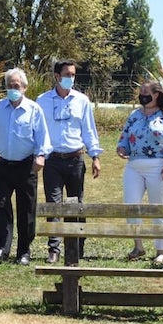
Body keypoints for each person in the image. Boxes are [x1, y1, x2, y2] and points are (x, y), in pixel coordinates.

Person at [36, 60, 102, 264]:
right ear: (56, 76)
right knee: (54, 205)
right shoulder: (42, 100)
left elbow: (89, 130)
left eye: (73, 75)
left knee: (76, 205)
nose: (70, 78)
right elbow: (38, 130)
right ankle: (54, 249)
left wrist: (95, 156)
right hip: (53, 160)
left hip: (75, 159)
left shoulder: (81, 100)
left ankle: (76, 247)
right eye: (66, 74)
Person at [0, 68, 52, 266]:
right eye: (9, 86)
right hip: (4, 166)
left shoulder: (34, 109)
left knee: (27, 210)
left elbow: (42, 137)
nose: (12, 89)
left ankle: (23, 252)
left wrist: (40, 156)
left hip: (26, 166)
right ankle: (1, 250)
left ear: (24, 87)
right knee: (2, 206)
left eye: (16, 86)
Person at [117, 80, 163, 264]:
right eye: (141, 92)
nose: (142, 95)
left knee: (158, 207)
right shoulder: (134, 115)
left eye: (145, 92)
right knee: (131, 206)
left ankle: (161, 250)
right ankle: (138, 246)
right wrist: (122, 147)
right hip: (134, 165)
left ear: (156, 95)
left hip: (159, 166)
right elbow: (124, 135)